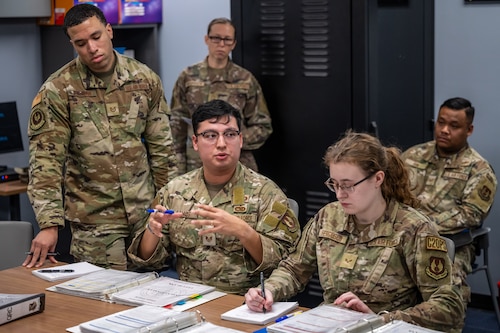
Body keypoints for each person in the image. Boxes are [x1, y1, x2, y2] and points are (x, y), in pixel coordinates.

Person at [245, 130, 465, 333]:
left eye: (348, 185)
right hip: (329, 325)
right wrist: (269, 290)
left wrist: (380, 320)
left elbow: (449, 307)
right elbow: (295, 268)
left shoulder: (413, 228)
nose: (340, 194)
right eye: (335, 184)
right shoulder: (328, 217)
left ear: (378, 179)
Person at [23, 4, 178, 270]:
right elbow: (45, 163)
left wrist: (169, 207)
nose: (92, 48)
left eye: (96, 37)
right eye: (81, 43)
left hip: (146, 214)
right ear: (73, 44)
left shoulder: (144, 79)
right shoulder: (58, 89)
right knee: (101, 302)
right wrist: (49, 224)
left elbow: (162, 151)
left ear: (109, 31)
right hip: (95, 223)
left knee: (156, 294)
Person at [127, 99, 300, 295]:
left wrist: (244, 232)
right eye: (210, 135)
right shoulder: (174, 191)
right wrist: (152, 230)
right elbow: (149, 261)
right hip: (187, 299)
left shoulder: (266, 193)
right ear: (195, 142)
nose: (221, 144)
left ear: (240, 140)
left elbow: (287, 264)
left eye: (230, 134)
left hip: (243, 303)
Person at [401, 97, 497, 308]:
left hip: (450, 242)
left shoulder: (479, 169)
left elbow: (471, 214)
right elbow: (393, 193)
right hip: (403, 236)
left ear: (469, 129)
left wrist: (423, 225)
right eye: (441, 122)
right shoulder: (413, 156)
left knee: (447, 295)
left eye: (454, 126)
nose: (444, 130)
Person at [170, 17, 272, 174]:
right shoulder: (188, 77)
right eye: (216, 38)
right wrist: (177, 168)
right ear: (207, 39)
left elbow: (263, 125)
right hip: (196, 163)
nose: (221, 44)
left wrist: (232, 140)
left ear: (234, 44)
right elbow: (177, 126)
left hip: (237, 163)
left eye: (227, 39)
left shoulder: (245, 79)